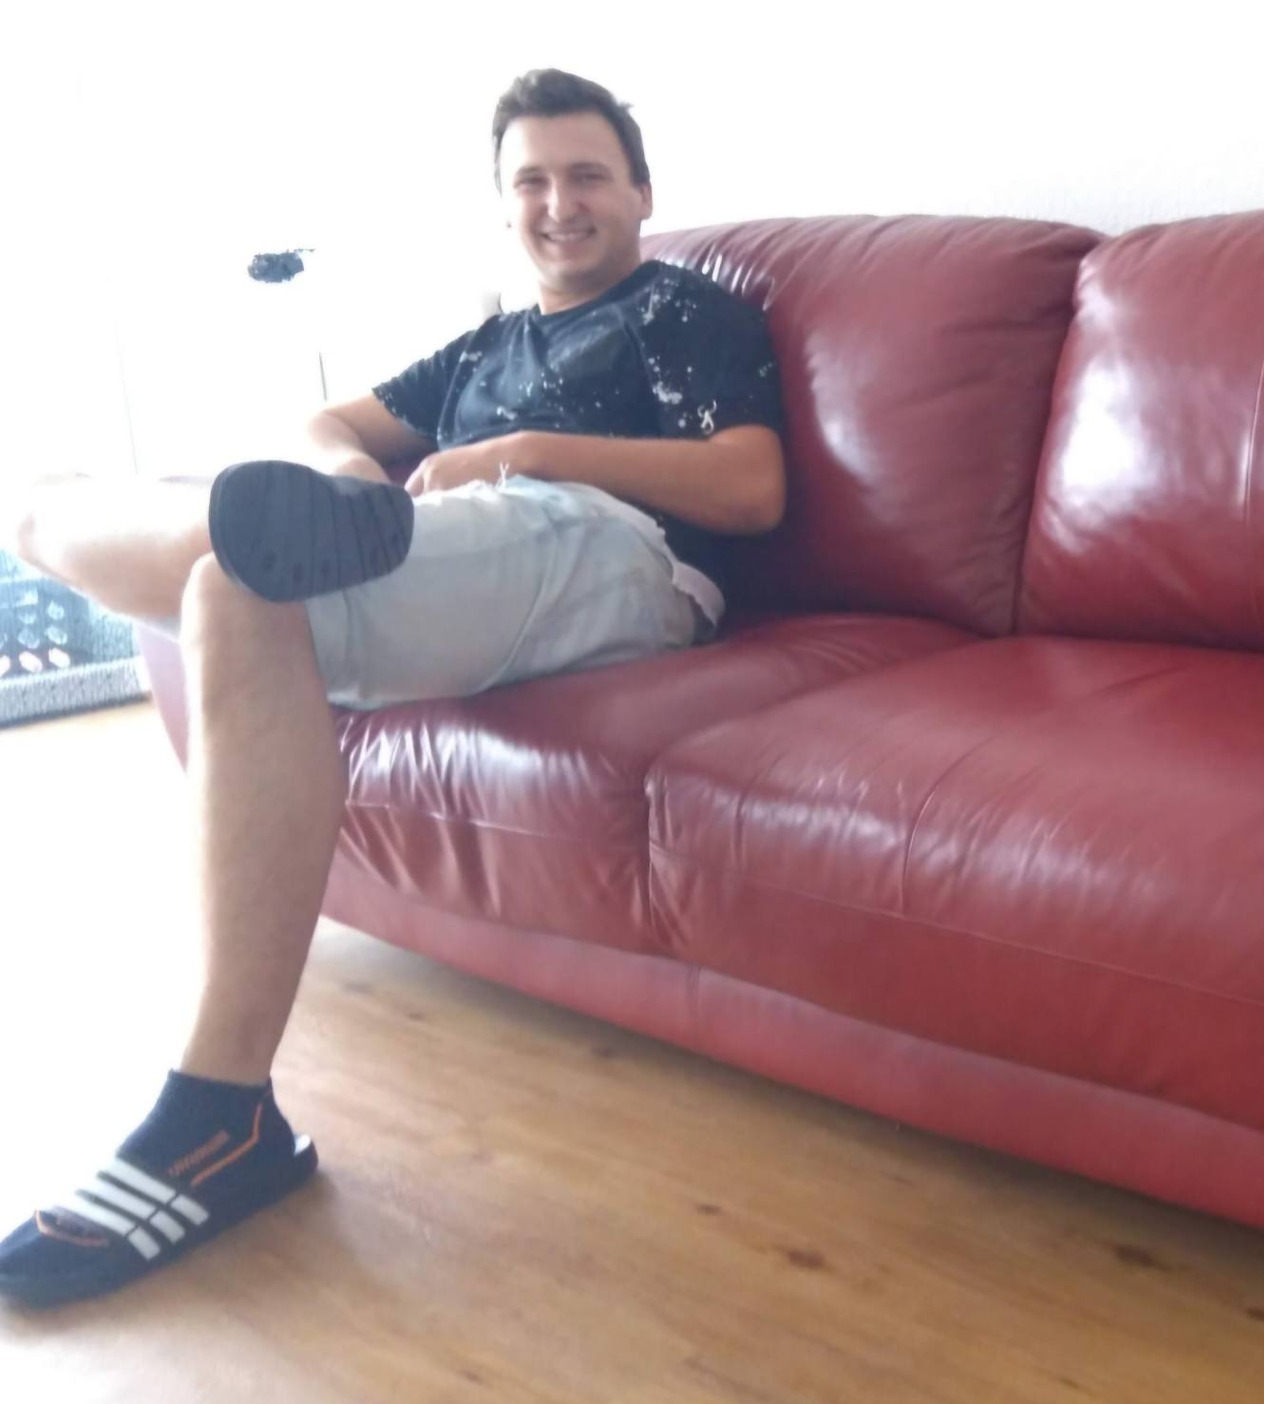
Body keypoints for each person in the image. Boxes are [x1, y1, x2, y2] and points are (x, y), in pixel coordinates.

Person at [0, 68, 785, 1307]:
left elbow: (750, 487)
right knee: (216, 584)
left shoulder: (685, 308)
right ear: (502, 204)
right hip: (480, 539)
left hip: (615, 551)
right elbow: (330, 418)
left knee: (216, 566)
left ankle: (208, 1112)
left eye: (587, 175)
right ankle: (227, 1115)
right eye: (531, 181)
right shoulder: (484, 343)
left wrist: (522, 449)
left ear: (641, 192)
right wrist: (350, 476)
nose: (560, 203)